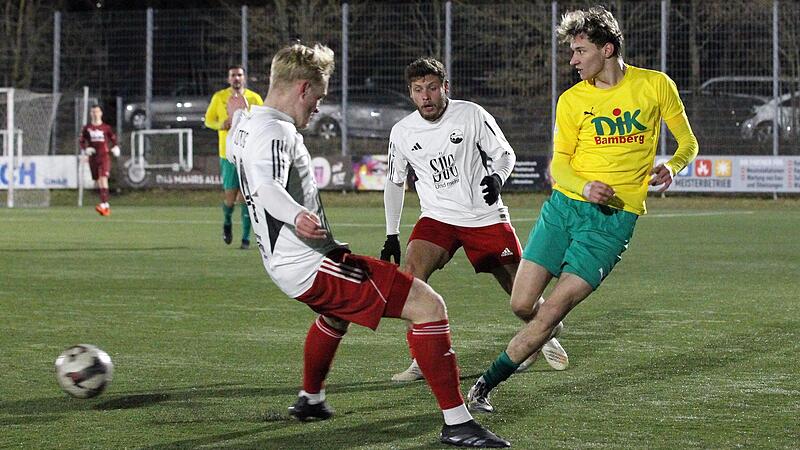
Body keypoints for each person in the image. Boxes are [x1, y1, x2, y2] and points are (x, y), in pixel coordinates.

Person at [226, 42, 510, 448]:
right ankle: (458, 423)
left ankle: (310, 399)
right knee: (429, 306)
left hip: (286, 261)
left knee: (334, 316)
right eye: (319, 97)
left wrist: (239, 116)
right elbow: (269, 187)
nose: (319, 108)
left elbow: (242, 131)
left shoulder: (249, 122)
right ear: (303, 88)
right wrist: (296, 216)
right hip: (309, 262)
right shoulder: (275, 131)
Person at [467, 5, 699, 413]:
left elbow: (688, 144)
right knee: (522, 305)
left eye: (579, 51)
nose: (572, 60)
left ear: (607, 49)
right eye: (571, 52)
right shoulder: (572, 100)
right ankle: (544, 333)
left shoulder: (656, 86)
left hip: (613, 223)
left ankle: (485, 386)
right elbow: (558, 164)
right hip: (563, 209)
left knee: (553, 307)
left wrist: (673, 167)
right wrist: (583, 185)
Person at [381, 57, 568, 383]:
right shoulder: (402, 132)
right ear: (410, 94)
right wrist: (391, 234)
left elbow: (505, 154)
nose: (426, 96)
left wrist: (496, 178)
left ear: (445, 88)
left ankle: (544, 330)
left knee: (520, 298)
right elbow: (395, 181)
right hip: (437, 217)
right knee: (410, 278)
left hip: (483, 215)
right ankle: (421, 358)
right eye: (418, 90)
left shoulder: (470, 114)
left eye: (432, 88)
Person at [205, 65, 264, 249]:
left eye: (239, 75)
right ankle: (227, 221)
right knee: (230, 197)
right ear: (228, 78)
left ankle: (245, 239)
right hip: (228, 154)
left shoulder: (254, 98)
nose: (236, 78)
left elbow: (263, 121)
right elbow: (208, 120)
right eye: (233, 75)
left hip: (248, 154)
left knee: (247, 198)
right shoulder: (219, 97)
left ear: (244, 77)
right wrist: (220, 124)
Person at [79, 104, 120, 216]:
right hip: (93, 157)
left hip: (104, 156)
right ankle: (105, 206)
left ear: (101, 113)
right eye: (93, 112)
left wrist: (116, 147)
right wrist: (86, 149)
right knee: (97, 180)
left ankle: (104, 204)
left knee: (103, 178)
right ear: (90, 114)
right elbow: (81, 141)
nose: (95, 114)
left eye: (97, 111)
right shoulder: (87, 128)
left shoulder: (106, 128)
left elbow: (113, 138)